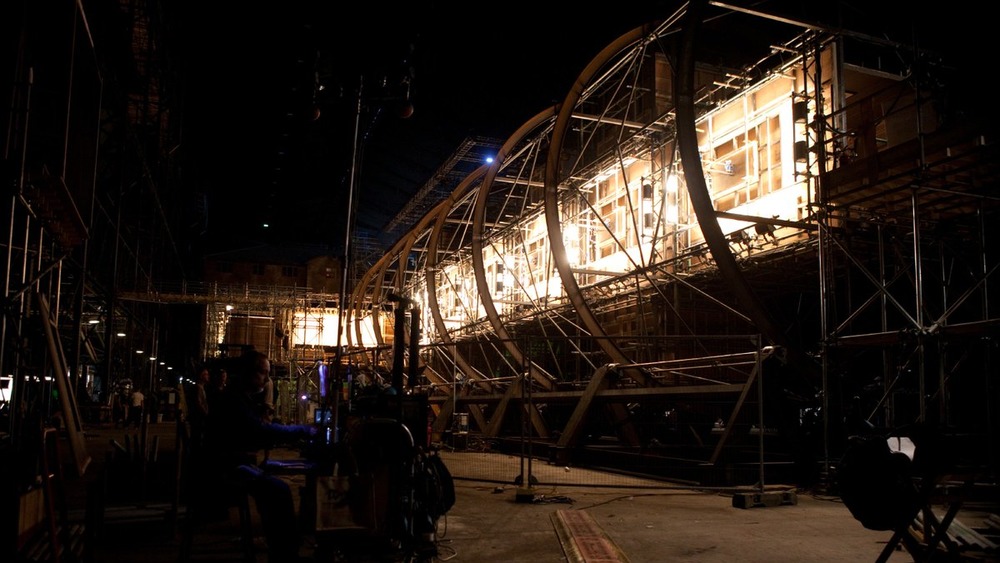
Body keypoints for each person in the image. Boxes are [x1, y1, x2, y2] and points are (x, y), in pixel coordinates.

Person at [200, 351, 316, 562]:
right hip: (225, 468)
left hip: (227, 462)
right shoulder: (235, 400)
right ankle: (285, 553)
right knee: (279, 489)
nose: (266, 378)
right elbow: (260, 430)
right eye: (263, 373)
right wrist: (301, 430)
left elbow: (259, 429)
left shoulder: (238, 396)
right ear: (249, 373)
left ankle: (279, 545)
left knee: (271, 480)